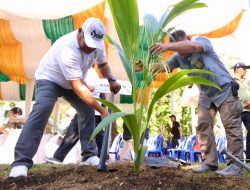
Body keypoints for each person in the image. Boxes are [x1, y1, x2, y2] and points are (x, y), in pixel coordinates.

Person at [9, 17, 121, 178]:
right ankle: (21, 162)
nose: (90, 49)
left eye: (93, 46)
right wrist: (103, 111)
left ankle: (89, 155)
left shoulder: (97, 43)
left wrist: (111, 79)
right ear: (80, 31)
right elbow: (78, 87)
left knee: (87, 110)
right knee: (42, 109)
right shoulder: (67, 48)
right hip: (50, 79)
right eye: (87, 44)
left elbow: (102, 65)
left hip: (72, 82)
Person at [149, 30, 244, 176]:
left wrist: (167, 47)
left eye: (179, 45)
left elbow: (193, 47)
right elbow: (165, 67)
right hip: (206, 94)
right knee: (203, 126)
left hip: (225, 89)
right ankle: (209, 162)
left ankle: (236, 166)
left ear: (187, 39)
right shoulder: (178, 58)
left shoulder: (202, 42)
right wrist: (144, 67)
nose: (181, 52)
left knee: (231, 127)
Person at [233, 62, 250, 163]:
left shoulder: (248, 81)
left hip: (248, 111)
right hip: (237, 111)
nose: (246, 70)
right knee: (236, 135)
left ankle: (249, 157)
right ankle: (238, 159)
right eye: (244, 68)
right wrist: (242, 105)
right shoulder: (232, 81)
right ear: (237, 69)